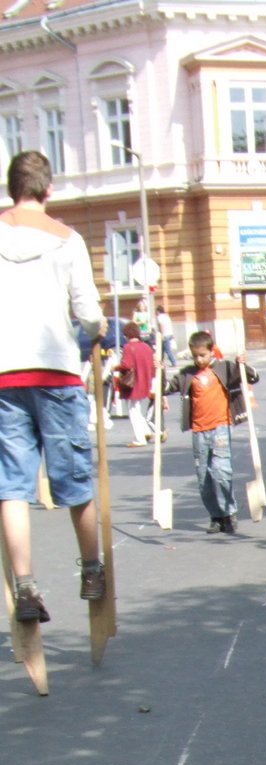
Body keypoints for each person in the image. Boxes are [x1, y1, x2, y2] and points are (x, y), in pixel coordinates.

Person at [0, 150, 108, 621]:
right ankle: (91, 570)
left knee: (12, 484)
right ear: (48, 189)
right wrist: (97, 329)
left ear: (11, 189)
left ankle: (25, 585)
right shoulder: (67, 240)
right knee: (74, 478)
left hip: (4, 374)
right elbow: (87, 311)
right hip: (55, 371)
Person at [164, 331, 258, 534]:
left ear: (211, 352)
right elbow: (166, 388)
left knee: (221, 472)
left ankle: (229, 512)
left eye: (203, 355)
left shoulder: (224, 368)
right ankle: (216, 516)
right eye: (195, 356)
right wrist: (159, 370)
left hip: (220, 427)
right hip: (199, 431)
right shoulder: (188, 374)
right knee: (204, 477)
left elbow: (253, 377)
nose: (199, 360)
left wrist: (243, 365)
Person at [116, 321, 156, 447]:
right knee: (137, 409)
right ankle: (146, 431)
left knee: (133, 410)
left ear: (126, 334)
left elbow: (126, 365)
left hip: (134, 383)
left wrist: (116, 367)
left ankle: (140, 438)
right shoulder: (146, 347)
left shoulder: (128, 347)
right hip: (145, 380)